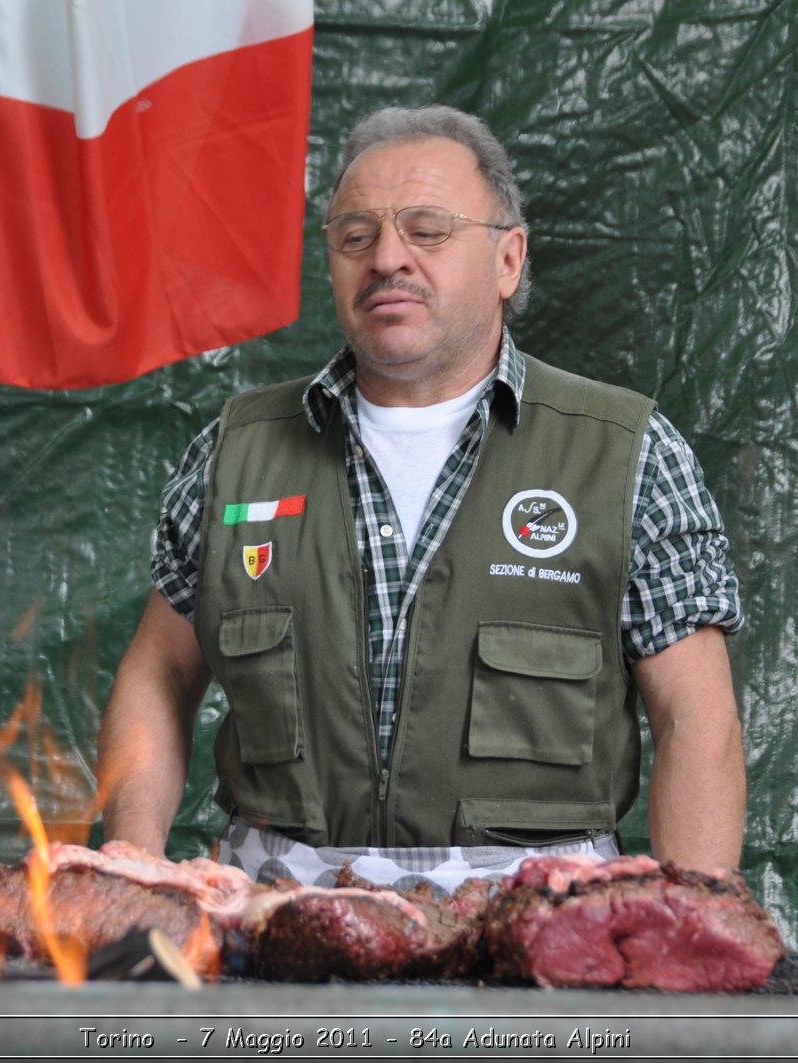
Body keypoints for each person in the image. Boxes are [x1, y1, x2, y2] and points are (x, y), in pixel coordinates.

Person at [98, 105, 746, 890]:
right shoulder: (236, 451)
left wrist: (689, 925)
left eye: (428, 229)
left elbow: (695, 719)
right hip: (275, 928)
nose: (387, 259)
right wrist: (133, 867)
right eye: (356, 236)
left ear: (509, 260)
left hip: (537, 930)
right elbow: (157, 673)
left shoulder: (626, 452)